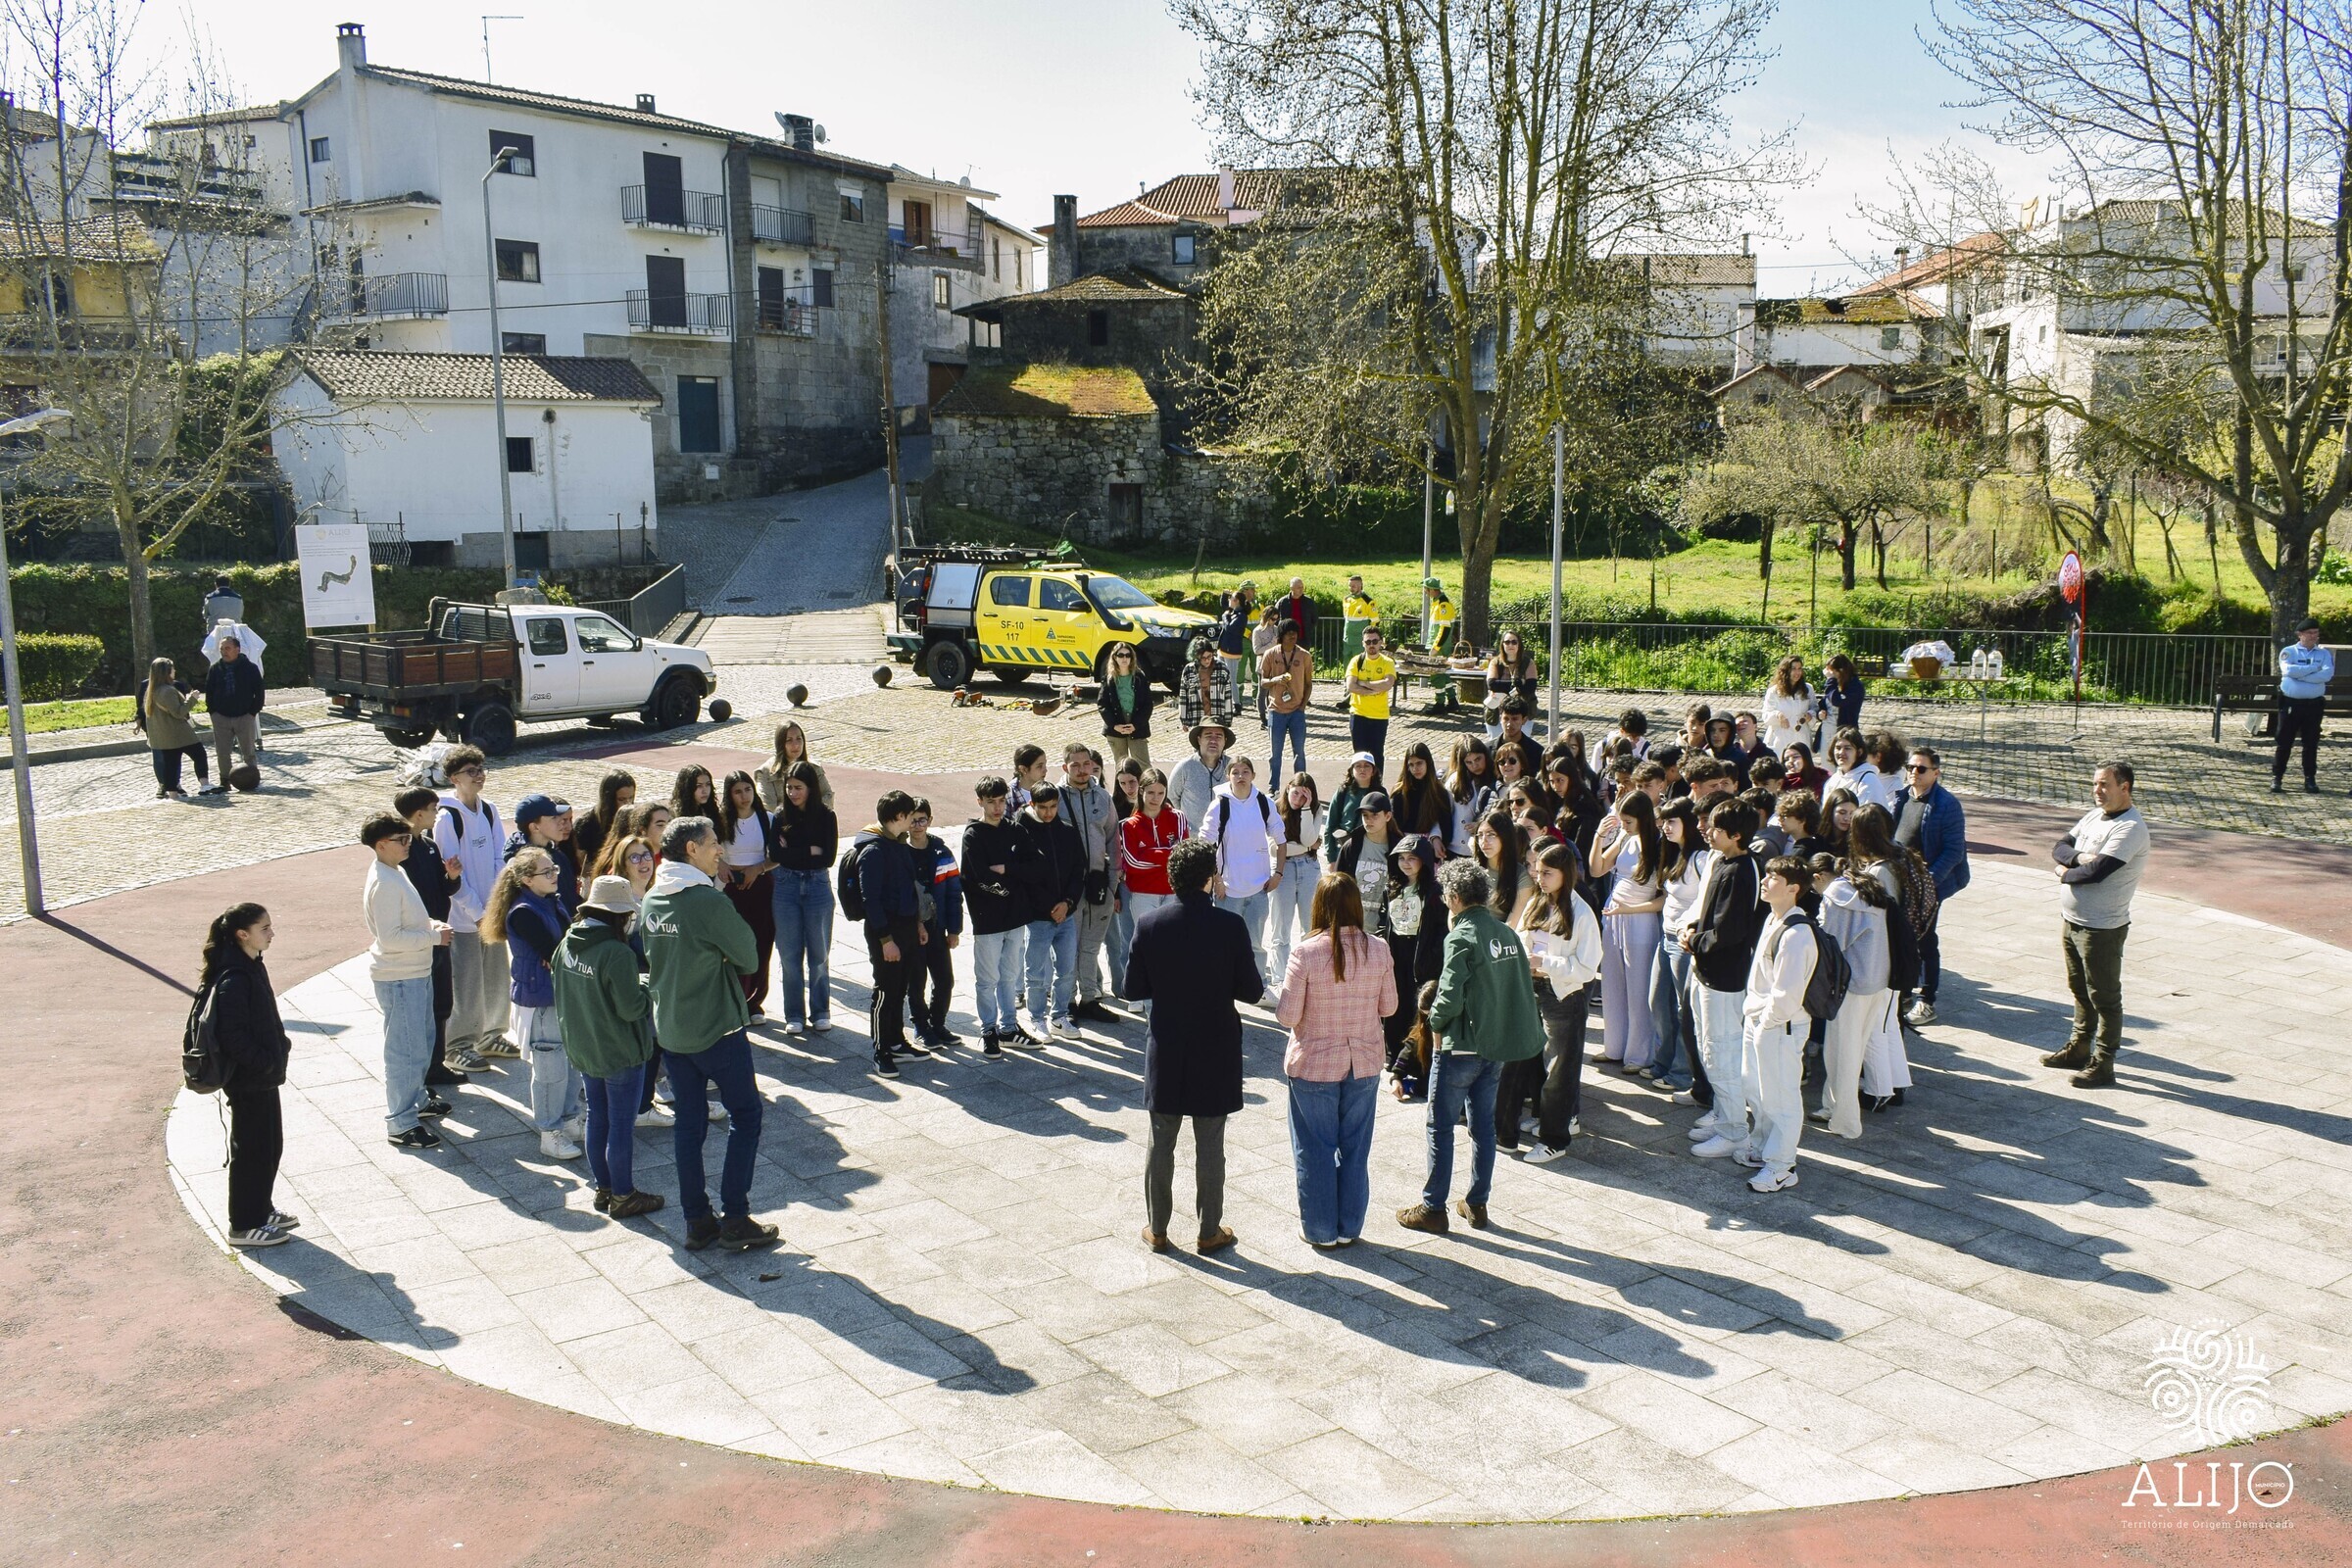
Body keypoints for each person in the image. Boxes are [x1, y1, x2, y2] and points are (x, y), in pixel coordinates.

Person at [1124, 838, 1263, 1253]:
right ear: (1210, 877)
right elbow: (1252, 992)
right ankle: (1208, 1230)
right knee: (1210, 1144)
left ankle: (1158, 1228)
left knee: (1160, 1141)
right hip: (1215, 1045)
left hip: (1167, 1044)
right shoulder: (1230, 926)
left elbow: (1132, 988)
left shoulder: (1149, 925)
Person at [643, 816, 776, 1250]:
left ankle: (697, 1221)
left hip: (672, 1031)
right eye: (712, 843)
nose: (720, 849)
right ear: (690, 851)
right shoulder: (706, 901)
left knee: (689, 1125)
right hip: (717, 1028)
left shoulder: (652, 899)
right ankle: (736, 1216)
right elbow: (747, 955)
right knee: (747, 1115)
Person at [1396, 858, 1544, 1234]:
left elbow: (1448, 997)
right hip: (1494, 1048)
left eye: (1446, 895)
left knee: (1440, 1127)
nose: (1445, 900)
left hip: (1459, 1047)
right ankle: (1477, 1204)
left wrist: (1434, 1025)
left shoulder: (1461, 936)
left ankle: (1433, 1208)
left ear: (1456, 897)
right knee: (1483, 1129)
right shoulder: (1505, 933)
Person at [1271, 873, 1396, 1248]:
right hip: (1364, 1061)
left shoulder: (1305, 953)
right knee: (1356, 1148)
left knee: (1315, 1147)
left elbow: (1287, 1016)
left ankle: (1320, 1230)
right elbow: (1389, 1006)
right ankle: (1349, 1227)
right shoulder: (1379, 948)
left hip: (1314, 1064)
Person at [554, 875, 665, 1219]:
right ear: (620, 916)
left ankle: (603, 1189)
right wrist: (647, 986)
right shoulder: (616, 953)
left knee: (597, 1119)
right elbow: (632, 1008)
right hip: (619, 1052)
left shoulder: (567, 943)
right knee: (620, 1125)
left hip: (585, 1048)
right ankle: (623, 1195)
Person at [2045, 761, 2151, 1088]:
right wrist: (2079, 858)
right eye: (2095, 784)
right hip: (2072, 920)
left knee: (2104, 997)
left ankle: (2103, 1063)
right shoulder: (2093, 817)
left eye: (2104, 784)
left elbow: (2096, 873)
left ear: (2125, 787)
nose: (2097, 791)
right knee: (2079, 989)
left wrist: (2067, 872)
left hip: (2101, 928)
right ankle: (2078, 1048)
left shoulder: (2130, 828)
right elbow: (2059, 848)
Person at [200, 904, 296, 1247]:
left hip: (263, 1076)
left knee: (270, 1146)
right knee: (251, 1151)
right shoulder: (234, 977)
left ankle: (261, 1207)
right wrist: (265, 1062)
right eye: (265, 928)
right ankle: (243, 1224)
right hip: (249, 1079)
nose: (272, 933)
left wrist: (279, 1047)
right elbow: (233, 1036)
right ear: (243, 934)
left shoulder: (251, 964)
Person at [484, 847, 583, 1159]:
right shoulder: (524, 910)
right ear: (527, 879)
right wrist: (558, 957)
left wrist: (559, 956)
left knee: (570, 1063)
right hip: (540, 998)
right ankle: (549, 1130)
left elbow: (565, 947)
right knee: (550, 1067)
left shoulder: (549, 902)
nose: (555, 875)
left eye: (554, 869)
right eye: (547, 872)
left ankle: (568, 1120)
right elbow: (556, 951)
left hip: (560, 992)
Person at [362, 813, 453, 1151]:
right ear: (381, 844)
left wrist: (429, 924)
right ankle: (401, 1122)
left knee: (422, 1040)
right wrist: (432, 936)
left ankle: (416, 1101)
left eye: (408, 837)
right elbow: (390, 938)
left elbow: (405, 919)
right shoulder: (385, 881)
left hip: (413, 972)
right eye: (401, 839)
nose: (408, 844)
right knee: (406, 1051)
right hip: (400, 976)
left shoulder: (393, 871)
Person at [1510, 841, 1603, 1161]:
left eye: (1547, 873)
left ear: (1566, 874)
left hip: (1564, 996)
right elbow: (1523, 937)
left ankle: (1555, 1140)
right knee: (1538, 1064)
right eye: (1537, 872)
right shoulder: (1538, 901)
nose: (1540, 878)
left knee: (1559, 1070)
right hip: (1533, 990)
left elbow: (1589, 967)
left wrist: (1545, 962)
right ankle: (1547, 1119)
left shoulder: (1581, 912)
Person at [1683, 798, 1762, 1156]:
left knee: (1722, 1053)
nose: (1708, 832)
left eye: (1716, 828)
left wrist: (1694, 940)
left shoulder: (1741, 871)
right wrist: (1693, 929)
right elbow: (1708, 915)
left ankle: (1734, 1130)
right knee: (1706, 1045)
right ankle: (1721, 1113)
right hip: (1706, 970)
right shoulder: (1723, 862)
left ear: (1736, 835)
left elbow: (1728, 931)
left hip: (1725, 977)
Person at [1740, 857, 1817, 1194]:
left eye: (1774, 877)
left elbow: (1786, 995)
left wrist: (1767, 1022)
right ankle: (1762, 1148)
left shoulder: (1797, 933)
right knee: (1758, 1091)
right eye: (1767, 874)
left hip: (1779, 1026)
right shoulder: (1774, 919)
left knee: (1782, 1098)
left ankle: (1782, 1167)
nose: (1765, 880)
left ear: (1793, 888)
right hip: (1762, 1020)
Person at [1814, 819, 1895, 1141]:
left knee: (1842, 1052)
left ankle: (1845, 1120)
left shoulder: (1836, 893)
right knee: (1851, 1049)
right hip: (1875, 980)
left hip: (1851, 984)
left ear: (1819, 878)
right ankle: (1832, 1108)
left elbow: (1830, 939)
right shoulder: (1865, 885)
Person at [433, 747, 512, 1066]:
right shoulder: (446, 817)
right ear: (454, 778)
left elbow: (498, 859)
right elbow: (452, 875)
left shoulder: (489, 809)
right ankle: (457, 1047)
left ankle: (491, 1037)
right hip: (463, 919)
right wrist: (477, 913)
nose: (479, 775)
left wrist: (495, 906)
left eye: (481, 768)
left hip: (489, 913)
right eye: (470, 771)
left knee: (496, 978)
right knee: (466, 984)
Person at [391, 786, 467, 1089]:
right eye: (434, 810)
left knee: (441, 1002)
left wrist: (451, 875)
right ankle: (423, 1068)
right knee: (423, 1005)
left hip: (440, 935)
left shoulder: (430, 845)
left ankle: (436, 1063)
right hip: (421, 937)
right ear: (419, 814)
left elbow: (444, 888)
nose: (438, 815)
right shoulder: (404, 851)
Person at [852, 791, 927, 1074]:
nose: (912, 822)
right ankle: (881, 1050)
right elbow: (870, 899)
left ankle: (897, 1042)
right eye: (910, 816)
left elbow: (910, 889)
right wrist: (886, 940)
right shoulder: (874, 851)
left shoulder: (898, 845)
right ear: (899, 817)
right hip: (887, 932)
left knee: (900, 989)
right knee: (885, 991)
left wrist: (918, 924)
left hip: (906, 927)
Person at [1892, 747, 1969, 1026]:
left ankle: (1927, 999)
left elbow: (1953, 852)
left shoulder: (1947, 805)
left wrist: (1927, 884)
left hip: (1931, 884)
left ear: (1936, 773)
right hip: (1902, 881)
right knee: (1902, 937)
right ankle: (1903, 991)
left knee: (1925, 940)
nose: (1914, 773)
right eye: (1910, 767)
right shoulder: (1901, 797)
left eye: (1921, 769)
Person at [1590, 791, 1663, 1072]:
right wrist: (1599, 837)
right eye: (1622, 820)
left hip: (1640, 918)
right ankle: (1615, 1046)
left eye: (1629, 821)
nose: (1624, 825)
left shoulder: (1658, 843)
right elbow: (1597, 870)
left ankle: (1639, 1054)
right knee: (1612, 983)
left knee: (1638, 986)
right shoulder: (1624, 837)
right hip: (1613, 916)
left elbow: (1663, 896)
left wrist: (1631, 910)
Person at [1368, 831, 1445, 1099]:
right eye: (1401, 858)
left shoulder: (1435, 892)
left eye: (1413, 858)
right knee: (1393, 1006)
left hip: (1421, 955)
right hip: (1396, 953)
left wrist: (1433, 959)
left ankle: (1419, 1063)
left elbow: (1440, 930)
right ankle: (1395, 1059)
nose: (1406, 863)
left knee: (1418, 1011)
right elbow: (1383, 920)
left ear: (1424, 860)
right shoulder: (1393, 887)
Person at [765, 760, 837, 1036]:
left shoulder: (826, 816)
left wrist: (794, 849)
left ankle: (821, 1011)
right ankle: (794, 1013)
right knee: (789, 955)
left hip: (817, 885)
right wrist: (810, 849)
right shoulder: (781, 816)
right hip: (786, 886)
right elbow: (776, 854)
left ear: (811, 788)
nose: (793, 793)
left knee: (819, 954)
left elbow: (828, 857)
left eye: (798, 787)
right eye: (789, 787)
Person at [963, 777, 1030, 1055]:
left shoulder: (1015, 829)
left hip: (1014, 917)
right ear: (980, 801)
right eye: (991, 801)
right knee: (987, 977)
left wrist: (1008, 869)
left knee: (1010, 975)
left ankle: (1009, 1027)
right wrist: (1007, 884)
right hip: (987, 917)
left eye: (1001, 801)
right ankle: (988, 1028)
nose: (997, 807)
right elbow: (976, 876)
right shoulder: (974, 834)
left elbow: (1035, 865)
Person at [1014, 784, 1084, 1043]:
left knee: (1066, 969)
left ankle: (1059, 1016)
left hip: (1065, 914)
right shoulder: (1023, 833)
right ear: (1032, 805)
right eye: (1042, 807)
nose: (1048, 812)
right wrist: (1048, 907)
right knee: (1035, 973)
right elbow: (1025, 878)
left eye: (1053, 806)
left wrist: (1067, 903)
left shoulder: (1067, 831)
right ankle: (1036, 1019)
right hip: (1038, 917)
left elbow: (1079, 870)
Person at [1644, 798, 1705, 1095]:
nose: (1665, 827)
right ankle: (1664, 1060)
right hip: (1664, 936)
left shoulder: (1700, 859)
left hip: (1683, 943)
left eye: (1672, 821)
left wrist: (1690, 931)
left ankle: (1682, 1073)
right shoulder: (1673, 854)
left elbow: (1705, 902)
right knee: (1657, 1001)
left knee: (1683, 1010)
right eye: (1664, 821)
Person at [1057, 745, 1122, 1024]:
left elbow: (1114, 841)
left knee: (1091, 947)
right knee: (1068, 946)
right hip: (1067, 889)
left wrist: (1113, 884)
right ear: (1065, 768)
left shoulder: (1103, 797)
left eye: (1086, 764)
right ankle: (1066, 1001)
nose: (1082, 770)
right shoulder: (1054, 798)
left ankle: (1089, 998)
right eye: (1075, 765)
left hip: (1099, 885)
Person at [1203, 753, 1283, 970]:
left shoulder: (1264, 803)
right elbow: (1206, 846)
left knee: (1255, 945)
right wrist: (1216, 879)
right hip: (1228, 892)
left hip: (1258, 889)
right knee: (1224, 944)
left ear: (1253, 775)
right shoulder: (1219, 805)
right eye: (1235, 772)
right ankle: (1224, 991)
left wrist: (1278, 874)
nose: (1240, 776)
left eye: (1245, 772)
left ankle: (1259, 987)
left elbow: (1281, 839)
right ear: (1228, 776)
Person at [903, 798, 964, 1051]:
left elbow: (953, 892)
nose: (918, 826)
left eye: (922, 820)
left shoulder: (941, 852)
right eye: (913, 820)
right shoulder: (901, 852)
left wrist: (955, 929)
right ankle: (921, 1026)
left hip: (937, 927)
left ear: (930, 821)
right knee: (916, 981)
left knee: (945, 980)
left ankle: (938, 1023)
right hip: (911, 929)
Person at [713, 771, 776, 1015]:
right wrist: (722, 865)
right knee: (734, 945)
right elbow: (712, 850)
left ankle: (755, 1002)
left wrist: (758, 868)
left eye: (748, 790)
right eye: (738, 791)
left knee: (762, 943)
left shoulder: (766, 819)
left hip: (760, 886)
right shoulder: (720, 821)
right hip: (730, 888)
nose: (744, 796)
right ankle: (735, 998)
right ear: (730, 795)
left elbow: (777, 857)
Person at [1266, 772, 1323, 982]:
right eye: (1296, 793)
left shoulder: (1314, 809)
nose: (1298, 799)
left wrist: (1308, 808)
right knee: (1280, 929)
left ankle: (1309, 977)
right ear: (1288, 787)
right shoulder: (1275, 807)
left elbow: (1309, 835)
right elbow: (1274, 849)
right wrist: (1307, 846)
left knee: (1311, 927)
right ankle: (1280, 979)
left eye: (1304, 796)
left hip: (1309, 868)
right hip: (1283, 869)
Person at [2275, 618, 2334, 794]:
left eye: (2316, 633)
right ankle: (2277, 777)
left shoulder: (2323, 654)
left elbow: (2327, 675)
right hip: (2291, 704)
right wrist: (2313, 670)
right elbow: (2288, 671)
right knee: (2284, 741)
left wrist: (2301, 675)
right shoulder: (2289, 651)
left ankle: (2310, 779)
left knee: (2311, 743)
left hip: (2313, 705)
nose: (2314, 636)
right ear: (2300, 634)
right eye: (2310, 633)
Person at [140, 658, 212, 798]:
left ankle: (173, 794)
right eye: (172, 669)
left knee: (171, 765)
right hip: (179, 734)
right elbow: (179, 712)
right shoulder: (168, 691)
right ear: (167, 672)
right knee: (199, 755)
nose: (175, 671)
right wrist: (193, 699)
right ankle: (204, 785)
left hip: (162, 737)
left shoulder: (150, 692)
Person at [201, 633, 265, 787]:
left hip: (244, 716)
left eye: (228, 648)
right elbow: (209, 691)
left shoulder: (250, 668)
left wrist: (252, 712)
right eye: (222, 649)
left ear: (237, 649)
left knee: (248, 752)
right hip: (221, 717)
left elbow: (260, 692)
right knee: (223, 753)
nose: (224, 651)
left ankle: (252, 780)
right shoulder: (215, 669)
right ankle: (225, 780)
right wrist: (213, 712)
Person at [1259, 618, 1313, 782]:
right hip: (1276, 710)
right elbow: (1263, 681)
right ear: (1281, 636)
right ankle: (1273, 787)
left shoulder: (1304, 655)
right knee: (1275, 754)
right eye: (1289, 633)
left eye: (1295, 633)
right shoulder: (1270, 654)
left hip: (1297, 711)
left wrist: (1302, 707)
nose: (1293, 636)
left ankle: (1301, 784)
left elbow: (1309, 684)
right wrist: (1276, 680)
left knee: (1300, 753)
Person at [1344, 624, 1397, 774]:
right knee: (1359, 756)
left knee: (1377, 755)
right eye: (1368, 642)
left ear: (1381, 642)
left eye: (1375, 641)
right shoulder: (1356, 661)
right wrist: (1374, 690)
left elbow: (1387, 684)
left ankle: (1377, 786)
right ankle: (1358, 786)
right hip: (1359, 714)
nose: (1371, 645)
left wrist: (1364, 684)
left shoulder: (1387, 662)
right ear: (1363, 643)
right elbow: (1351, 686)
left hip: (1379, 716)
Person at [1096, 642, 1156, 769]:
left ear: (1132, 658)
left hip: (1137, 727)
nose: (1124, 658)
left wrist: (1136, 725)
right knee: (1121, 766)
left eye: (1128, 655)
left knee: (1143, 765)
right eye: (1121, 655)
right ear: (1115, 657)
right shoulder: (1108, 679)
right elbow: (1102, 705)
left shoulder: (1140, 677)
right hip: (1116, 728)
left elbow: (1148, 705)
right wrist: (1114, 725)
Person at [754, 720, 835, 812]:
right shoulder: (766, 773)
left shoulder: (814, 768)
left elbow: (828, 797)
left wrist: (809, 812)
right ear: (780, 744)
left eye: (799, 739)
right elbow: (769, 808)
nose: (796, 745)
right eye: (789, 740)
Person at [571, 771, 637, 878]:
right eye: (622, 799)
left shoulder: (632, 819)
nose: (627, 804)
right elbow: (581, 863)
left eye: (631, 798)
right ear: (609, 799)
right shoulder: (586, 824)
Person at [1169, 720, 1234, 828]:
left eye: (1218, 736)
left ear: (1224, 741)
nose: (1213, 740)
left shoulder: (1233, 768)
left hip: (1226, 838)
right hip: (1193, 839)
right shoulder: (1185, 767)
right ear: (1199, 740)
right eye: (1208, 736)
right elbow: (1171, 797)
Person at [1323, 752, 1382, 863]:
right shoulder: (1343, 792)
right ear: (1351, 770)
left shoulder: (1380, 793)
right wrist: (1331, 858)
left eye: (1367, 766)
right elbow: (1330, 825)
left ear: (1373, 770)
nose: (1362, 769)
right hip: (1344, 850)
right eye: (1358, 766)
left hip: (1371, 851)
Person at [1446, 739, 1498, 857]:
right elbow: (1442, 812)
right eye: (1469, 762)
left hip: (1487, 848)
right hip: (1456, 846)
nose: (1475, 765)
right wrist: (1437, 837)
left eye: (1478, 759)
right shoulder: (1455, 780)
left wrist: (1481, 825)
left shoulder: (1496, 778)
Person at [1822, 727, 1895, 810]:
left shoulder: (1868, 781)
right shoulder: (1832, 781)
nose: (1841, 752)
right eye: (1838, 748)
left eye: (1847, 748)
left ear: (1859, 752)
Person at [1759, 656, 1820, 756]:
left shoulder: (1808, 689)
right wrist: (1777, 715)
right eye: (1794, 669)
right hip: (1780, 739)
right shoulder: (1774, 691)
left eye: (1800, 669)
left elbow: (1815, 708)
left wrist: (1810, 715)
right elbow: (1766, 714)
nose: (1797, 672)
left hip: (1801, 737)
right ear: (1786, 671)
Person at [1485, 633, 1539, 741]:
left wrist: (1502, 686)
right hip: (1497, 711)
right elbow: (1491, 684)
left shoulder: (1528, 662)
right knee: (1497, 743)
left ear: (1519, 645)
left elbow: (1531, 686)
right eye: (1507, 642)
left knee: (1522, 744)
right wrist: (1518, 685)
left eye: (1514, 642)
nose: (1511, 645)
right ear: (1502, 644)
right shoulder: (1495, 662)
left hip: (1523, 710)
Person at [1178, 635, 1236, 734]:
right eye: (1203, 658)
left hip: (1217, 720)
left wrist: (1228, 720)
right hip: (1197, 720)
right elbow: (1183, 697)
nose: (1207, 660)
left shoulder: (1222, 668)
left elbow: (1228, 696)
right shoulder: (1188, 670)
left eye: (1209, 656)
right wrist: (1184, 720)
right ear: (1196, 657)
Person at [1215, 581, 1256, 703]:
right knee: (1220, 677)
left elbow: (1230, 627)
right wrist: (1224, 594)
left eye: (1231, 599)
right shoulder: (1233, 611)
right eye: (1251, 589)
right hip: (1223, 649)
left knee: (1232, 677)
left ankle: (1237, 703)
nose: (1254, 592)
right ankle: (1222, 701)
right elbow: (1225, 605)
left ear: (1237, 601)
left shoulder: (1241, 615)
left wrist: (1224, 616)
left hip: (1233, 649)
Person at [1821, 653, 1866, 736]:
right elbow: (1823, 704)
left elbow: (1836, 700)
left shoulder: (1855, 686)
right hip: (1828, 732)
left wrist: (1830, 679)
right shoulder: (1837, 684)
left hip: (1847, 733)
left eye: (1832, 672)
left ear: (1841, 670)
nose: (1831, 675)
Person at [1275, 576, 1319, 647]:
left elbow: (1314, 619)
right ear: (1291, 588)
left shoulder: (1309, 602)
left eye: (1302, 587)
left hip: (1303, 639)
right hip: (1286, 639)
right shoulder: (1282, 602)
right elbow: (1275, 619)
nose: (1301, 590)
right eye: (1299, 588)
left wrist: (1308, 631)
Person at [1423, 580, 1456, 651]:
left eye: (1425, 589)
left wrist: (1436, 647)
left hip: (1440, 649)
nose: (1425, 592)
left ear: (1431, 590)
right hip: (1435, 647)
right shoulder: (1436, 602)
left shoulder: (1443, 604)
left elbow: (1445, 628)